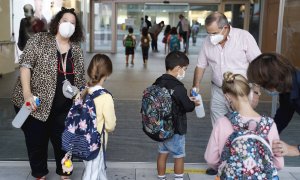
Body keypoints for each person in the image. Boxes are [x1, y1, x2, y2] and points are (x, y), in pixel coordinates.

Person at [11, 7, 85, 180]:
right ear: (57, 22)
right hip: (36, 105)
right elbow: (25, 66)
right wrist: (28, 95)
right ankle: (39, 175)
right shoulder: (40, 40)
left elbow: (80, 81)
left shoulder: (77, 50)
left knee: (65, 143)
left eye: (73, 23)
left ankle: (65, 173)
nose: (69, 25)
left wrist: (81, 97)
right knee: (36, 143)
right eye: (65, 21)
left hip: (63, 109)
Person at [192, 12, 261, 175]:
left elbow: (258, 64)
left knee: (243, 126)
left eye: (214, 33)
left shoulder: (244, 37)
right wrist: (196, 86)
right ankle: (219, 163)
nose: (211, 37)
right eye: (208, 33)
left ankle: (243, 162)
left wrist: (256, 91)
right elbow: (201, 65)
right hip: (217, 90)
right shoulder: (208, 42)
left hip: (241, 92)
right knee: (218, 127)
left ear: (225, 28)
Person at [205, 72, 284, 179]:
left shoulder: (222, 122)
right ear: (250, 92)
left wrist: (226, 167)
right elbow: (279, 164)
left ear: (227, 97)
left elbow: (211, 159)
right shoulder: (269, 124)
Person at [154, 51, 197, 180]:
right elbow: (188, 106)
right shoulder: (178, 87)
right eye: (185, 69)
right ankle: (178, 178)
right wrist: (193, 102)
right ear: (178, 68)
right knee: (179, 155)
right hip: (176, 129)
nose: (184, 72)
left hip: (160, 127)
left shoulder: (158, 81)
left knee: (162, 153)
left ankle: (161, 177)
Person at [81, 54, 117, 180]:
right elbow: (110, 124)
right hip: (96, 142)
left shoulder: (82, 92)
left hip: (81, 139)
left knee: (96, 168)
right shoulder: (105, 97)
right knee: (92, 173)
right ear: (107, 74)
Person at [247, 52, 300, 133]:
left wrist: (292, 146)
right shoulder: (286, 90)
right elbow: (282, 117)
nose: (263, 89)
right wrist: (263, 134)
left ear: (274, 79)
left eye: (263, 85)